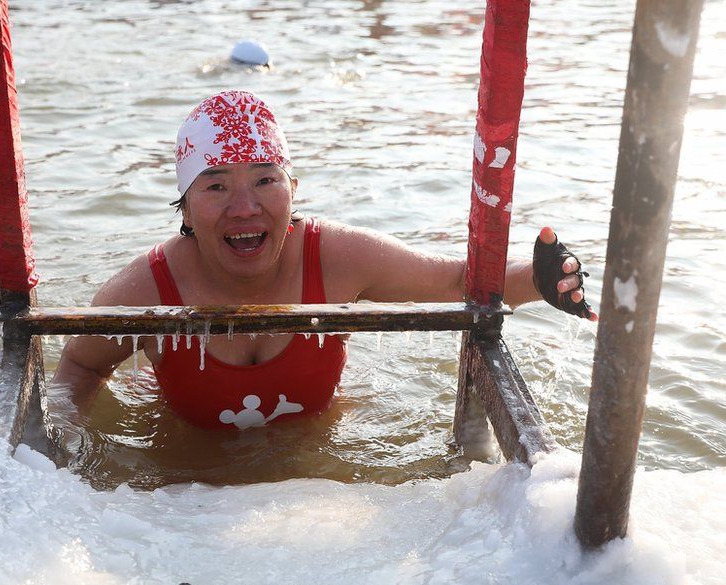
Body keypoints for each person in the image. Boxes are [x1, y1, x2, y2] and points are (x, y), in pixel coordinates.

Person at [53, 90, 596, 431]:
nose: (245, 208)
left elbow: (456, 282)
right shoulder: (146, 289)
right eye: (216, 185)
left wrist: (541, 280)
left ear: (292, 189)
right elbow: (79, 367)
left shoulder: (335, 257)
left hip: (310, 456)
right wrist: (61, 456)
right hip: (186, 467)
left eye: (265, 180)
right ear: (186, 208)